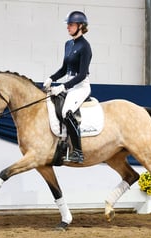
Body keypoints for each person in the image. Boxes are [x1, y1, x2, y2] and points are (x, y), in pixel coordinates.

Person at [43, 11, 92, 163]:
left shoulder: (85, 47)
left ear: (80, 26)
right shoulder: (68, 44)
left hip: (81, 86)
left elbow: (82, 74)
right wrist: (52, 78)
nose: (68, 27)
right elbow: (64, 69)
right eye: (68, 25)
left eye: (71, 25)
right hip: (70, 85)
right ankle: (62, 144)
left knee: (66, 111)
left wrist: (63, 87)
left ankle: (78, 151)